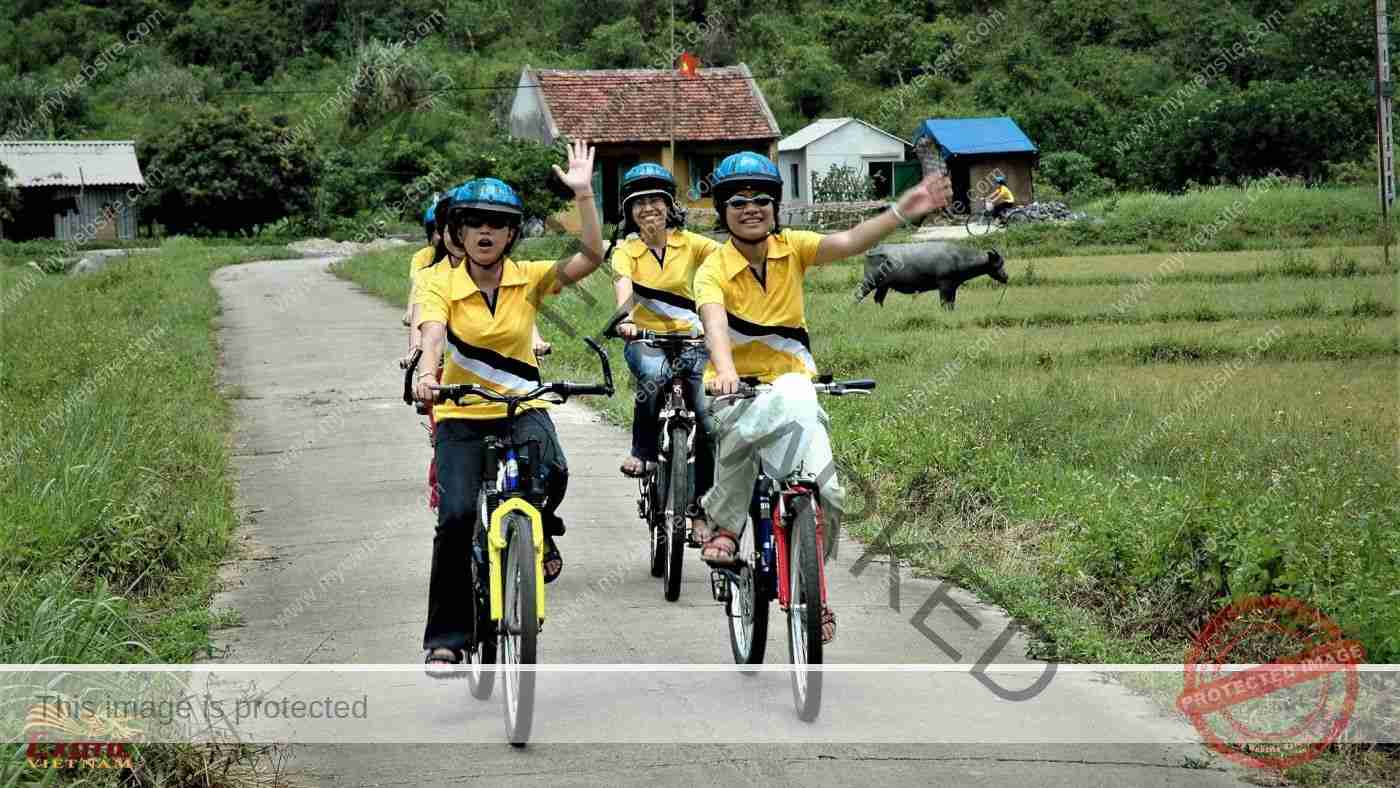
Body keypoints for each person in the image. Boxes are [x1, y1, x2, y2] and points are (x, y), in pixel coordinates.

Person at [691, 151, 952, 643]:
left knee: (826, 490)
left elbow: (850, 242)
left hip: (796, 386)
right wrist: (724, 370)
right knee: (740, 432)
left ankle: (814, 594)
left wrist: (902, 209)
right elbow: (713, 323)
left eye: (762, 200)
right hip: (739, 388)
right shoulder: (713, 268)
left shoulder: (793, 248)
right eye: (739, 201)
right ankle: (725, 525)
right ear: (723, 209)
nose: (752, 209)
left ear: (777, 207)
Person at [411, 141, 602, 673]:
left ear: (513, 233)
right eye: (474, 223)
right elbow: (431, 331)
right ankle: (447, 638)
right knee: (453, 519)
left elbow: (592, 256)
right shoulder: (436, 282)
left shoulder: (530, 278)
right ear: (458, 231)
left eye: (497, 223)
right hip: (461, 417)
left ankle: (537, 535)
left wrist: (583, 195)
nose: (486, 232)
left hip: (521, 408)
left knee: (555, 472)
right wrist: (428, 376)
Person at [608, 163, 720, 541]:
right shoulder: (626, 250)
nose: (648, 208)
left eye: (656, 200)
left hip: (693, 339)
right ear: (629, 211)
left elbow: (729, 261)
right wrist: (625, 320)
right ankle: (642, 451)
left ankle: (702, 505)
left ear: (671, 205)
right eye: (639, 203)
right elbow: (623, 285)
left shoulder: (692, 244)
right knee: (654, 377)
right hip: (645, 337)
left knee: (707, 417)